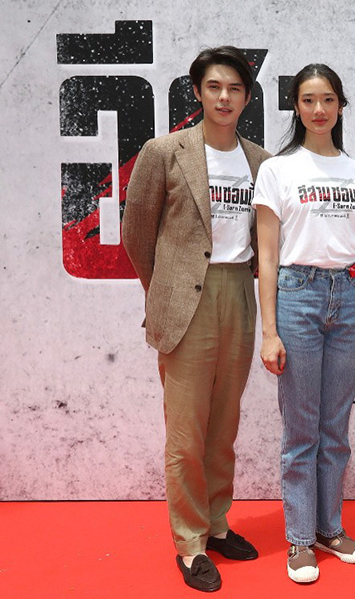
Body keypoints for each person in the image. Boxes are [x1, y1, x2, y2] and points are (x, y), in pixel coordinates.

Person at [122, 46, 269, 592]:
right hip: (187, 300)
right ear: (197, 92)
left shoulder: (260, 161)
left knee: (223, 426)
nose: (224, 97)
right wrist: (164, 291)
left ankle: (216, 522)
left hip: (239, 293)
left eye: (234, 88)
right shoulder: (164, 151)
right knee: (186, 434)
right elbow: (137, 233)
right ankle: (189, 543)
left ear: (247, 97)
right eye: (214, 87)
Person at [253, 64, 355, 583]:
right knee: (301, 428)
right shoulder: (278, 170)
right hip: (297, 296)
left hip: (349, 298)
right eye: (308, 100)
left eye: (328, 99)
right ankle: (300, 539)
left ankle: (330, 530)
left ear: (341, 106)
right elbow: (266, 256)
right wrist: (269, 331)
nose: (319, 109)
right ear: (296, 107)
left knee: (336, 427)